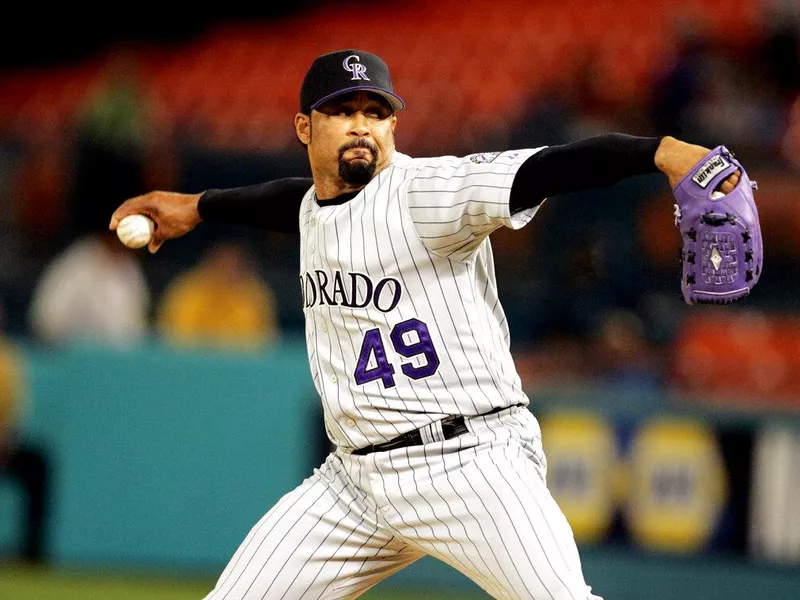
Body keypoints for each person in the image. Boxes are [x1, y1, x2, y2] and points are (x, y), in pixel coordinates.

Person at [109, 49, 743, 599]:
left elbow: (550, 166)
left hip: (470, 461)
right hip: (353, 484)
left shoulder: (430, 191)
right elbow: (296, 205)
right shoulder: (309, 207)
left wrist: (664, 151)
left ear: (393, 124)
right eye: (342, 110)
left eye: (376, 111)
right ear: (304, 127)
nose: (362, 125)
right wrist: (196, 205)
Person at [27, 228, 151, 347]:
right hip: (74, 358)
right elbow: (45, 320)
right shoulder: (78, 263)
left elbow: (137, 329)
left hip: (120, 361)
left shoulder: (130, 267)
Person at [156, 238, 280, 350]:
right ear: (208, 260)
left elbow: (262, 344)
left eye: (234, 262)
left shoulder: (255, 295)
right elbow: (173, 339)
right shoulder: (186, 290)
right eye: (222, 259)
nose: (227, 268)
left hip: (238, 369)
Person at [0, 306, 51, 564]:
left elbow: (15, 410)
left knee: (37, 463)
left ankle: (30, 552)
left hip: (4, 445)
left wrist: (7, 439)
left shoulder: (8, 357)